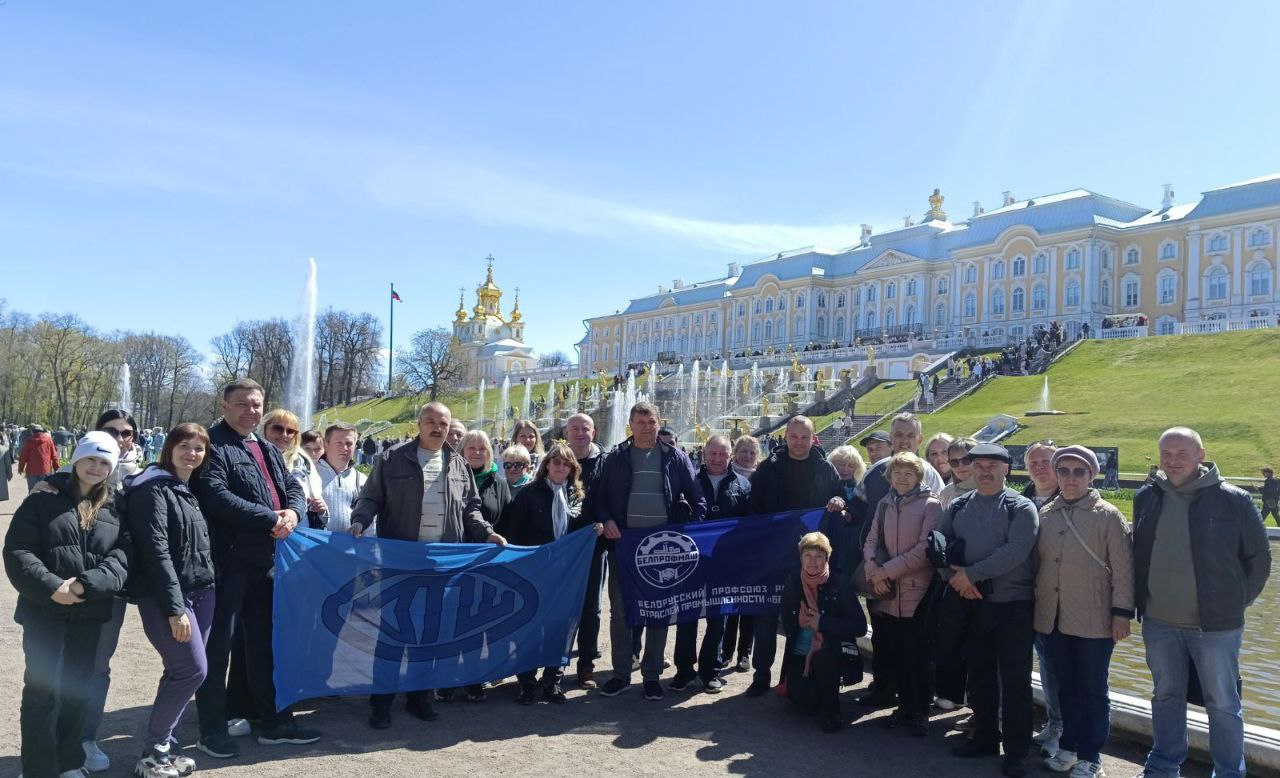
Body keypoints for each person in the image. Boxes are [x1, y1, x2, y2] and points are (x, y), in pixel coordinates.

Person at [349, 401, 507, 728]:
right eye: (431, 422)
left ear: (450, 428)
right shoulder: (392, 458)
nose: (437, 428)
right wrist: (360, 521)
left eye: (443, 423)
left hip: (442, 563)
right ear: (419, 425)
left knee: (430, 634)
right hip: (400, 561)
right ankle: (381, 702)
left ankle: (419, 698)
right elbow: (370, 498)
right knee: (393, 633)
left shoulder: (459, 464)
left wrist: (488, 532)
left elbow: (471, 510)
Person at [191, 379, 319, 758]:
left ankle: (271, 721)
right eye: (243, 404)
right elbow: (215, 496)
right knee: (217, 651)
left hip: (264, 562)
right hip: (227, 563)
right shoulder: (212, 443)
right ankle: (212, 729)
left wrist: (293, 512)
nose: (251, 411)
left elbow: (292, 487)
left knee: (263, 645)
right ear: (225, 405)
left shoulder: (263, 445)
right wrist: (270, 518)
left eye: (257, 405)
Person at [1133, 427, 1270, 778]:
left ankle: (1227, 772)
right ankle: (1163, 766)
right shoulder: (1146, 497)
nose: (1173, 460)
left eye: (1182, 453)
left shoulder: (1233, 499)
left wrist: (1233, 604)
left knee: (1223, 704)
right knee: (1165, 698)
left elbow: (1258, 560)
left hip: (1214, 627)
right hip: (1158, 622)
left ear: (1200, 455)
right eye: (1167, 454)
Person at [4, 431, 131, 778]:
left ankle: (69, 761)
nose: (96, 467)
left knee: (77, 689)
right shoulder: (42, 499)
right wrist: (51, 587)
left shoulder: (115, 507)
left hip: (89, 612)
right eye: (90, 458)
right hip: (45, 610)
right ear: (76, 460)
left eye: (104, 462)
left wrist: (87, 584)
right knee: (42, 691)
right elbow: (18, 551)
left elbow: (123, 557)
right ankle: (38, 768)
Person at [939, 443, 1039, 778]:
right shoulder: (958, 505)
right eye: (977, 465)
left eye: (992, 466)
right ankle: (984, 736)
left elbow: (1016, 550)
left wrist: (971, 574)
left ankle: (1016, 752)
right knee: (980, 676)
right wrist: (955, 578)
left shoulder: (1021, 507)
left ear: (1006, 470)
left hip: (1013, 606)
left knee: (1014, 681)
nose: (984, 471)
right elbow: (938, 544)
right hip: (971, 603)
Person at [1034, 445, 1134, 777]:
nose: (1071, 478)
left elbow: (1123, 570)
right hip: (1053, 616)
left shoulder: (1108, 515)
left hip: (1095, 618)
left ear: (1091, 476)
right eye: (1064, 471)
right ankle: (1068, 748)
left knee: (1093, 689)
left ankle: (1091, 755)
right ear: (1057, 474)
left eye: (1079, 472)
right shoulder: (1046, 513)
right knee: (1066, 687)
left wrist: (1122, 613)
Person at [596, 401, 705, 701]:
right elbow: (600, 498)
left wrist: (691, 533)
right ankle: (620, 674)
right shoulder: (615, 457)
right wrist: (607, 520)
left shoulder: (676, 458)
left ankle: (652, 675)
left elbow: (698, 500)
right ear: (630, 424)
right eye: (640, 422)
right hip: (625, 546)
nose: (646, 427)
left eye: (651, 422)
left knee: (659, 611)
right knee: (620, 611)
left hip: (662, 550)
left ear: (659, 424)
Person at [124, 423, 216, 778]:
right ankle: (153, 752)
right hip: (168, 596)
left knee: (181, 671)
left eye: (199, 448)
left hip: (203, 590)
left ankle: (165, 748)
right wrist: (175, 608)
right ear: (169, 447)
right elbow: (156, 552)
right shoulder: (153, 488)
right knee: (192, 669)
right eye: (184, 445)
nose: (192, 453)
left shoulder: (186, 488)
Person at [743, 415, 846, 698]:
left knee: (802, 618)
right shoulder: (768, 468)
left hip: (809, 559)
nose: (799, 443)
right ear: (785, 437)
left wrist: (839, 502)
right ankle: (761, 675)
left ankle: (791, 678)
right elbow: (753, 509)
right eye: (794, 437)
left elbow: (839, 501)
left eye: (804, 437)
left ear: (813, 438)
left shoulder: (825, 469)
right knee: (765, 619)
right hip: (773, 556)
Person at [499, 442, 603, 704]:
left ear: (572, 468)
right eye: (556, 462)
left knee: (561, 627)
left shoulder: (579, 496)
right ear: (546, 465)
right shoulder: (529, 494)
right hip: (537, 573)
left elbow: (585, 527)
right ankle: (526, 682)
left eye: (566, 463)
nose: (560, 467)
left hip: (567, 575)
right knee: (532, 626)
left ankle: (552, 681)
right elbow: (514, 533)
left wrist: (596, 528)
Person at [864, 452, 940, 737]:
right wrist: (873, 570)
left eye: (909, 473)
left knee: (917, 656)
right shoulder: (884, 503)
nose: (903, 478)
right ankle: (904, 708)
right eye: (898, 473)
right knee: (896, 652)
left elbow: (924, 551)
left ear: (918, 476)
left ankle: (920, 711)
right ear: (890, 477)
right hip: (887, 590)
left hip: (915, 592)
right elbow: (871, 540)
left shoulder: (931, 505)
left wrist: (886, 572)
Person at [673, 434, 750, 694]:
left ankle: (710, 671)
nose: (717, 459)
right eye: (713, 454)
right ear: (704, 454)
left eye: (723, 454)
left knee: (719, 618)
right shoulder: (689, 482)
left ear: (731, 456)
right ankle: (684, 670)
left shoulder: (742, 486)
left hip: (725, 563)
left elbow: (749, 525)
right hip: (691, 561)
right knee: (687, 615)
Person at [780, 531, 867, 733]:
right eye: (807, 556)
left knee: (824, 660)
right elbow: (786, 618)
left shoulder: (839, 584)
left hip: (831, 651)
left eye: (819, 556)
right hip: (801, 653)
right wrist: (798, 620)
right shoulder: (793, 582)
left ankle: (832, 712)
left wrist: (823, 623)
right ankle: (819, 691)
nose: (813, 562)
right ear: (800, 558)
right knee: (803, 701)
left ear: (827, 558)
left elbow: (860, 626)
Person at [1020, 439, 1064, 756]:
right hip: (1022, 595)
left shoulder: (1072, 499)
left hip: (1059, 597)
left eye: (1046, 460)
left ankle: (1061, 727)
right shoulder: (1020, 500)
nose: (1039, 466)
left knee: (1056, 665)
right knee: (1039, 664)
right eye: (1033, 461)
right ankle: (1052, 723)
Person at [564, 413, 607, 688]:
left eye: (586, 428)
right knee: (561, 605)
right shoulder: (558, 459)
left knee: (591, 607)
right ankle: (554, 662)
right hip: (563, 545)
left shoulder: (605, 462)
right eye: (575, 428)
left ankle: (586, 664)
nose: (580, 433)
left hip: (594, 543)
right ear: (566, 432)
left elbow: (612, 497)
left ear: (594, 431)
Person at [722, 433, 763, 671]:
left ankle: (744, 652)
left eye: (752, 452)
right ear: (735, 453)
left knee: (749, 603)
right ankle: (726, 651)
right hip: (731, 549)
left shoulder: (763, 478)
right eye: (743, 451)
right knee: (730, 603)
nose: (747, 456)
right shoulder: (726, 476)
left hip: (754, 549)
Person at [263, 409, 327, 530]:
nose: (284, 435)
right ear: (265, 429)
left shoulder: (303, 461)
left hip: (298, 533)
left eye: (291, 431)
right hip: (264, 530)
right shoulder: (251, 454)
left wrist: (321, 509)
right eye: (278, 428)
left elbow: (316, 501)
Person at [818, 445, 868, 587]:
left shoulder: (861, 487)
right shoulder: (826, 484)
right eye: (841, 464)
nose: (846, 469)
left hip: (855, 537)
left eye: (851, 465)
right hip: (833, 535)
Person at [462, 429, 512, 544]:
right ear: (462, 451)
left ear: (489, 453)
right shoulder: (450, 478)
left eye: (482, 448)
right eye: (471, 448)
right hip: (456, 549)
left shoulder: (500, 483)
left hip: (488, 550)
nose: (477, 452)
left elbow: (508, 522)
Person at [315, 422, 365, 535]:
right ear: (326, 444)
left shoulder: (362, 480)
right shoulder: (309, 474)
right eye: (339, 443)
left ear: (355, 446)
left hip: (349, 548)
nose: (344, 448)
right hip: (316, 547)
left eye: (349, 443)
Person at [937, 437, 978, 509]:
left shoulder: (992, 489)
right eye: (954, 462)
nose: (960, 466)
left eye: (966, 460)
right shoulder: (946, 493)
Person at [17, 423, 59, 491]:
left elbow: (23, 456)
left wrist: (21, 468)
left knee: (32, 490)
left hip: (31, 471)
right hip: (45, 470)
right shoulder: (49, 440)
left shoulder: (29, 441)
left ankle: (32, 501)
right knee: (45, 491)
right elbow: (54, 455)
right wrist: (56, 467)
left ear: (32, 431)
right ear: (42, 431)